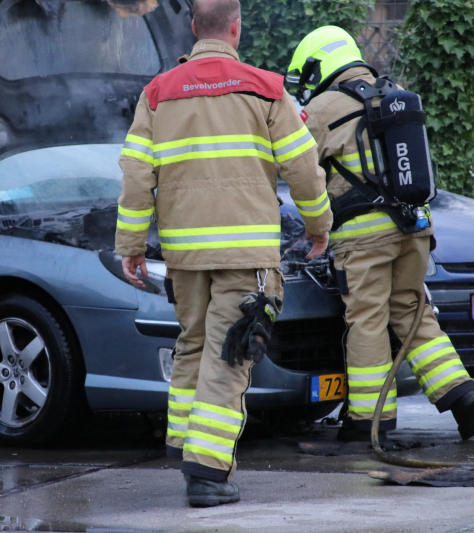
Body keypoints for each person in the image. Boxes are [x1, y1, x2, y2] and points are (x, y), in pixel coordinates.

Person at [115, 0, 332, 507]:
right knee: (232, 355)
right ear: (236, 28)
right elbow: (303, 168)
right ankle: (208, 473)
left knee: (193, 346)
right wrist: (320, 225)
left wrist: (130, 245)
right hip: (245, 255)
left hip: (185, 258)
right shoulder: (266, 88)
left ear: (194, 29)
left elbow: (135, 176)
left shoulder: (157, 93)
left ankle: (185, 445)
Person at [287, 26, 474, 442]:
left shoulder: (322, 108)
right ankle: (460, 393)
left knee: (367, 321)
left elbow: (295, 168)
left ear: (318, 66)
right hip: (414, 226)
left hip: (363, 237)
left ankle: (369, 419)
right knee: (413, 312)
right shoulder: (394, 93)